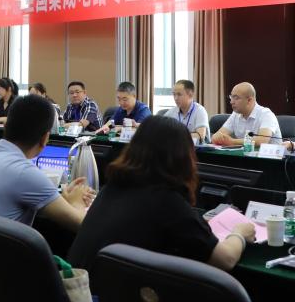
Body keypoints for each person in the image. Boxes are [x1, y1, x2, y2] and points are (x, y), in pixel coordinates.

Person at [68, 115, 255, 273]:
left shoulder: (112, 188)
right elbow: (225, 259)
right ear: (182, 157)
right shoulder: (166, 201)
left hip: (80, 294)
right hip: (106, 301)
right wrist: (239, 233)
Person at [0, 94, 94, 230]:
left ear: (6, 127)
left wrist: (61, 200)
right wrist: (77, 201)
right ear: (45, 138)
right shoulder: (25, 173)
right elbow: (83, 225)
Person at [211, 82, 281, 146]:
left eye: (236, 98)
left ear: (249, 100)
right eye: (231, 97)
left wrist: (232, 141)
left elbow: (262, 141)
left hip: (270, 155)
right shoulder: (235, 114)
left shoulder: (266, 114)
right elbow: (217, 136)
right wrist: (216, 137)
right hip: (246, 155)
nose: (231, 102)